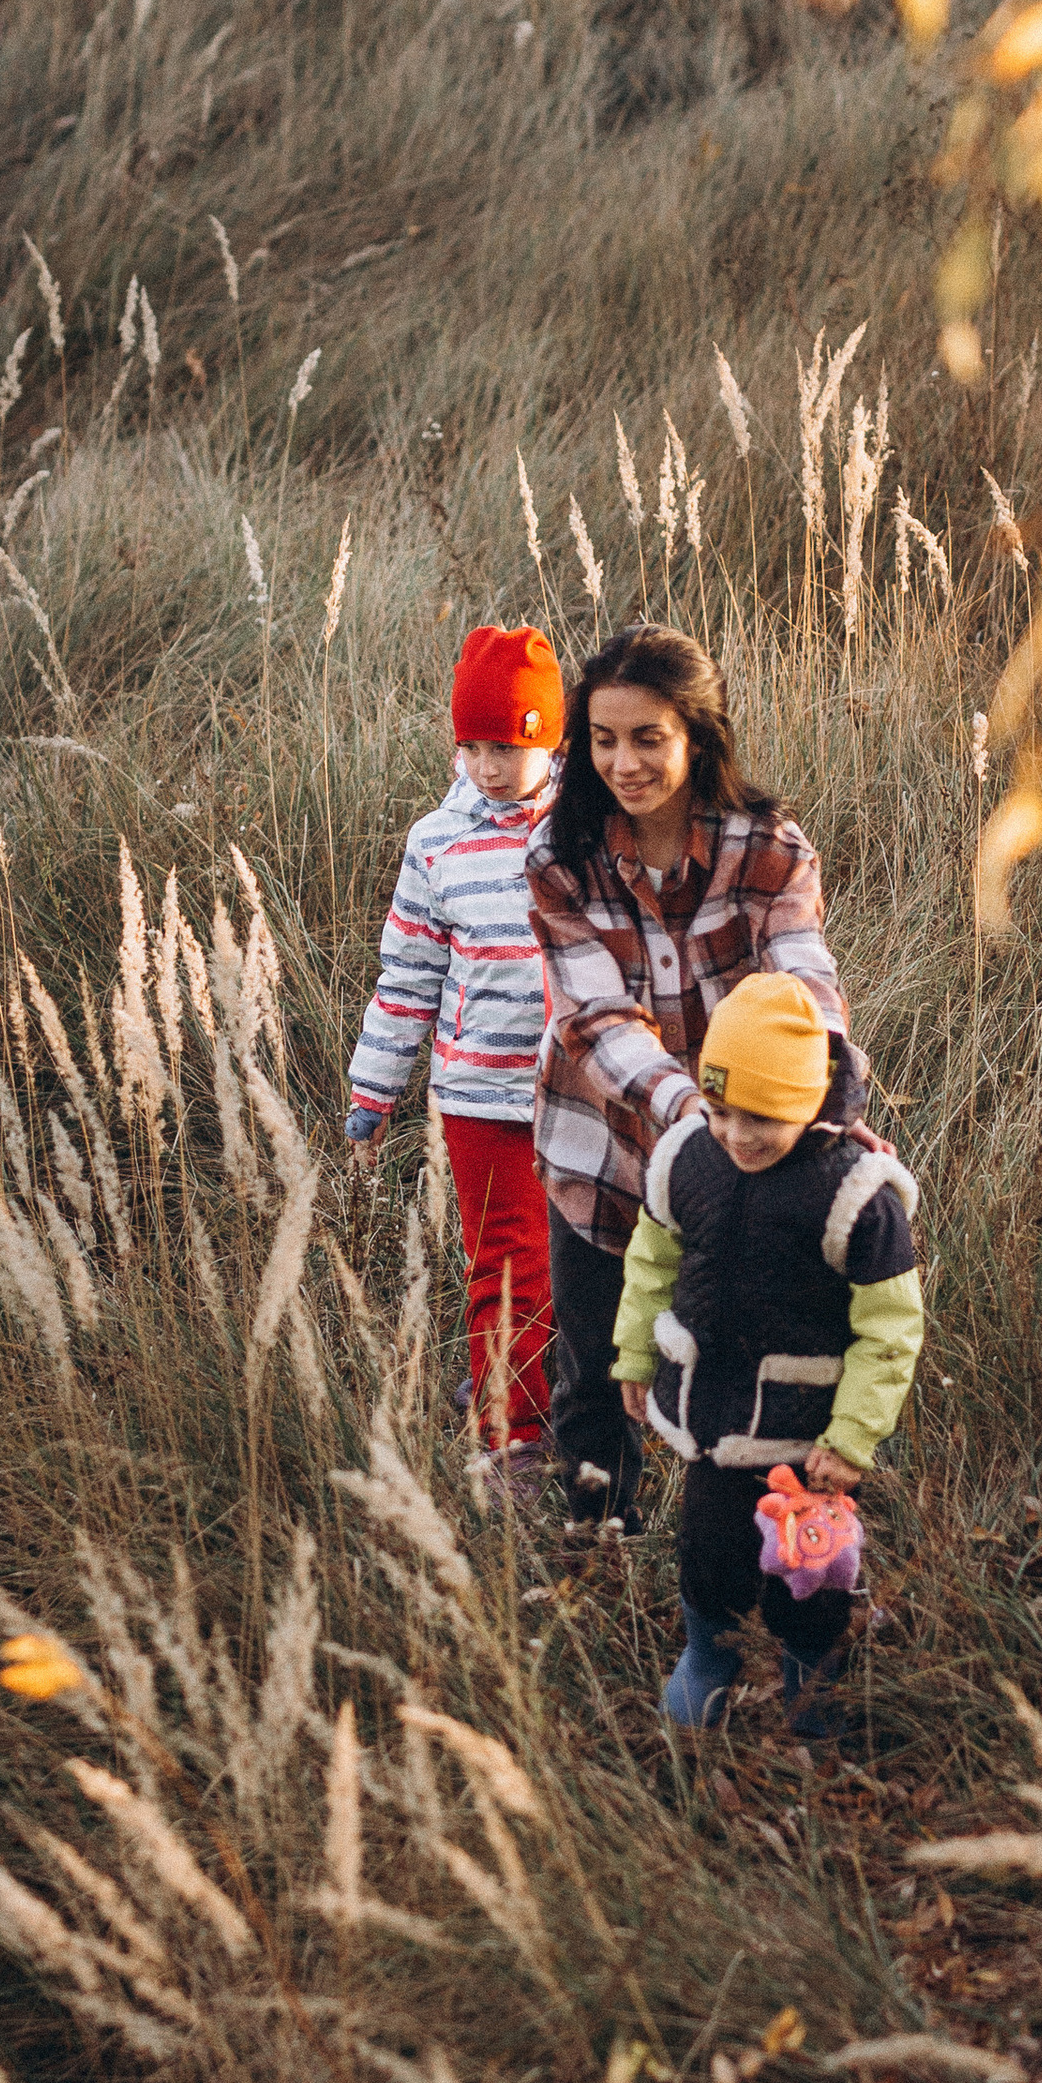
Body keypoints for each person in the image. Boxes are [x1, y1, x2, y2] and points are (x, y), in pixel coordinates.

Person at [525, 624, 863, 1542]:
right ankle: (599, 1541)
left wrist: (821, 1094)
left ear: (697, 737)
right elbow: (592, 1020)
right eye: (603, 738)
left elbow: (803, 978)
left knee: (758, 1356)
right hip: (604, 1154)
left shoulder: (768, 850)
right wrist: (696, 1113)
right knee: (597, 1369)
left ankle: (772, 1554)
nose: (624, 762)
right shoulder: (561, 861)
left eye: (648, 738)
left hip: (752, 1157)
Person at [611, 973, 921, 1746]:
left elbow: (891, 1331)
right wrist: (634, 1355)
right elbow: (651, 1263)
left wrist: (852, 1439)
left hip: (809, 1442)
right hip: (712, 1424)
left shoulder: (854, 1197)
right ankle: (706, 1667)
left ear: (810, 1101)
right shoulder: (689, 1158)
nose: (738, 1135)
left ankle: (813, 1698)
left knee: (810, 1581)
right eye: (719, 1112)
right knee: (708, 1557)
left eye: (763, 1118)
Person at [347, 626, 563, 1479]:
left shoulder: (589, 829)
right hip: (479, 1093)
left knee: (580, 1258)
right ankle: (512, 1438)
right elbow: (406, 977)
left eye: (510, 747)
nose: (489, 768)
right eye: (472, 747)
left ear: (551, 739)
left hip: (581, 1092)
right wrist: (375, 1091)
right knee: (504, 1264)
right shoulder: (436, 842)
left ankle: (563, 1403)